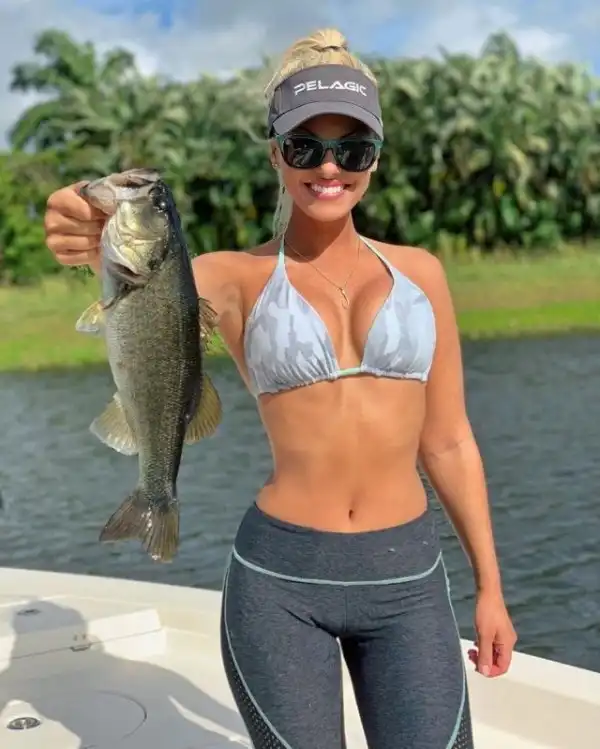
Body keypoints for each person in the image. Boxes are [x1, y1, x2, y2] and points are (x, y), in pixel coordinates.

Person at [43, 27, 516, 749]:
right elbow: (141, 282)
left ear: (375, 157)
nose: (328, 167)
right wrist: (80, 208)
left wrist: (491, 588)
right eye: (304, 146)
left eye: (352, 149)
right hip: (279, 582)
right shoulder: (230, 277)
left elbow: (448, 441)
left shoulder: (422, 274)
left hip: (409, 583)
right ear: (275, 153)